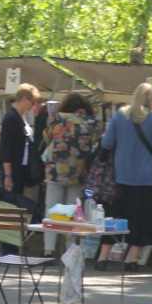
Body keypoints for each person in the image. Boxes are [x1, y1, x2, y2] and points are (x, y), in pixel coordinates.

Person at [98, 82, 152, 271]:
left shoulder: (119, 116)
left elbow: (106, 143)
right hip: (148, 180)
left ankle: (102, 258)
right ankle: (132, 261)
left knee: (114, 218)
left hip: (122, 177)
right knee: (141, 219)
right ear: (151, 99)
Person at [41, 92, 101, 256]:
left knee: (51, 211)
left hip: (55, 172)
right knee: (74, 213)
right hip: (78, 172)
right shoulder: (93, 122)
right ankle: (70, 250)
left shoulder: (58, 119)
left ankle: (48, 250)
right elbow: (96, 141)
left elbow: (47, 137)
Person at [0, 83, 40, 196]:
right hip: (13, 169)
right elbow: (5, 149)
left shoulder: (21, 118)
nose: (33, 106)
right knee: (12, 200)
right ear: (24, 99)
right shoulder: (11, 118)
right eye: (32, 102)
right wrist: (8, 175)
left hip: (21, 167)